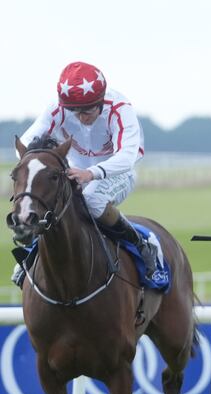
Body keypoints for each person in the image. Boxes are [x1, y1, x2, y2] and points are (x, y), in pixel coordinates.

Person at [14, 61, 158, 285]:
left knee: (91, 199)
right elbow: (24, 144)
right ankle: (34, 249)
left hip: (116, 172)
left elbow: (127, 156)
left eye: (87, 111)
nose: (81, 117)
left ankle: (139, 243)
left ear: (100, 101)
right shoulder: (57, 108)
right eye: (74, 112)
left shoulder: (120, 108)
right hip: (74, 171)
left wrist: (91, 173)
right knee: (50, 199)